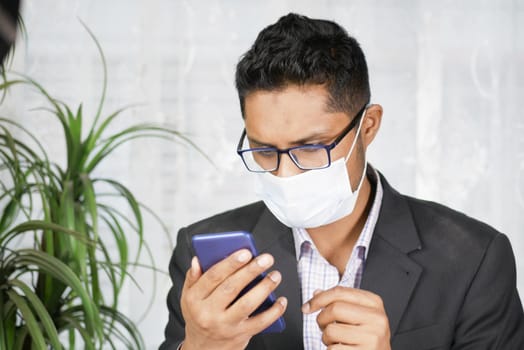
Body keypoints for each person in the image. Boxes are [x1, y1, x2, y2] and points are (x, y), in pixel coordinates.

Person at [160, 13, 524, 350]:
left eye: (312, 148)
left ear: (368, 127)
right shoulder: (204, 258)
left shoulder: (473, 259)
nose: (285, 174)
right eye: (265, 151)